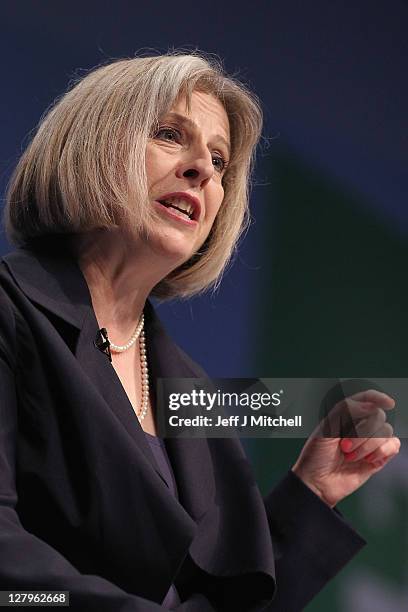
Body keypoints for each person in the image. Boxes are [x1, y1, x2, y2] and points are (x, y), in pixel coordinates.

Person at [0, 52, 400, 611]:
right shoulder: (11, 312)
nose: (204, 171)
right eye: (170, 135)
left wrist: (312, 492)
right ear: (92, 146)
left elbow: (222, 600)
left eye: (219, 159)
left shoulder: (189, 388)